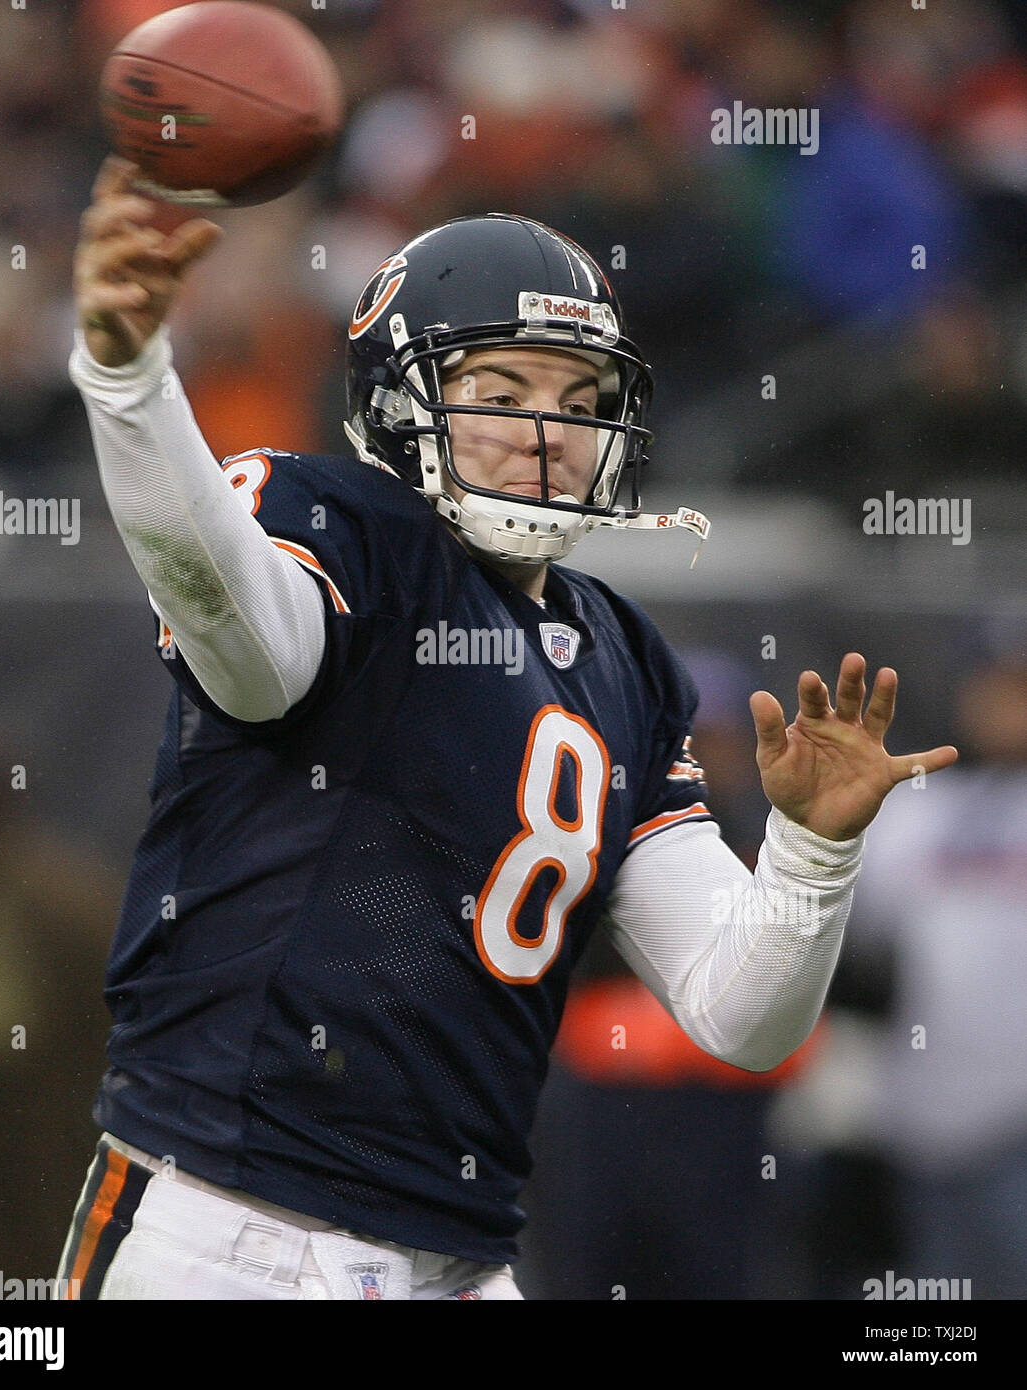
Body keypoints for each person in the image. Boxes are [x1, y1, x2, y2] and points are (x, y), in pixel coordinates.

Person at [55, 156, 956, 1301]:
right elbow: (241, 634)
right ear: (401, 397)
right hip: (238, 1224)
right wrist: (131, 379)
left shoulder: (623, 659)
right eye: (507, 390)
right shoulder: (339, 529)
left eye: (581, 404)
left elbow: (743, 1016)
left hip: (464, 1249)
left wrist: (813, 850)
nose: (552, 435)